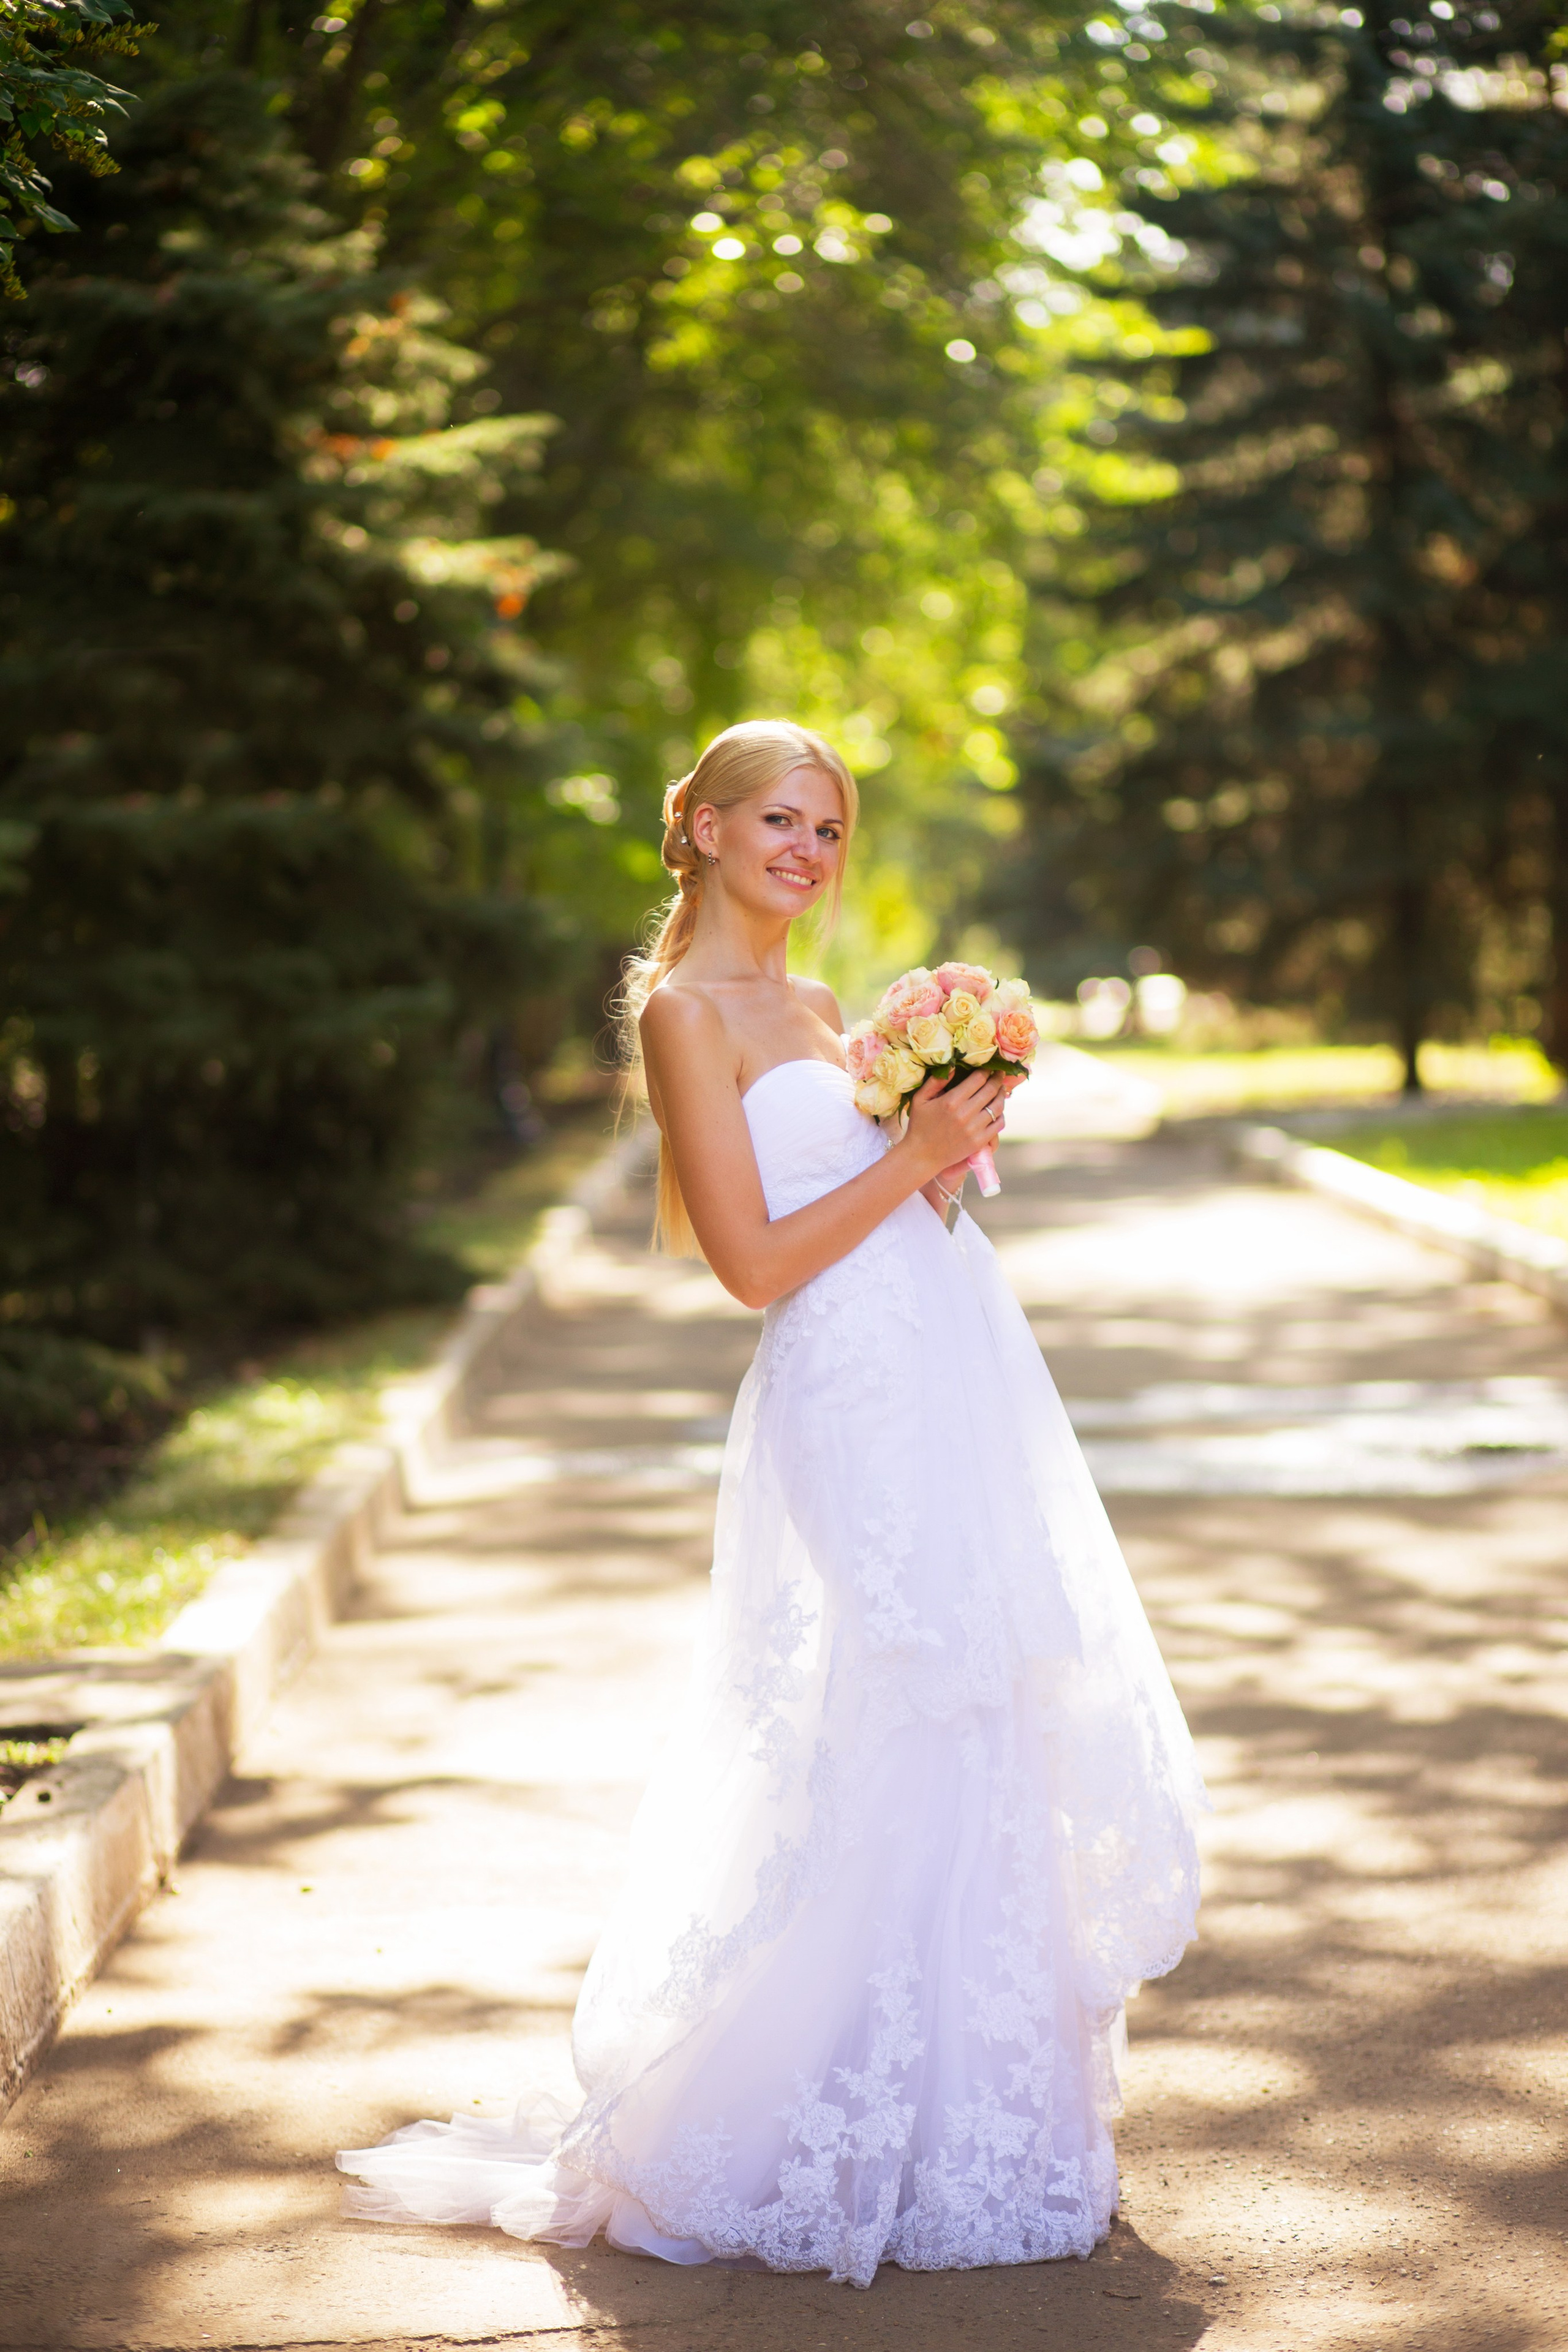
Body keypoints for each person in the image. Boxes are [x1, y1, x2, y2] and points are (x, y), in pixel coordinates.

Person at [339, 718, 1206, 2286]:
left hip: (942, 1362)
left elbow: (874, 1213)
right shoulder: (686, 1013)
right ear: (706, 830)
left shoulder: (818, 1005)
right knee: (907, 1702)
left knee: (996, 1693)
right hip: (843, 1400)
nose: (806, 852)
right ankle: (802, 2125)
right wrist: (905, 1157)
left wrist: (946, 1160)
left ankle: (978, 2123)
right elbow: (749, 1265)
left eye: (828, 830)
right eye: (781, 823)